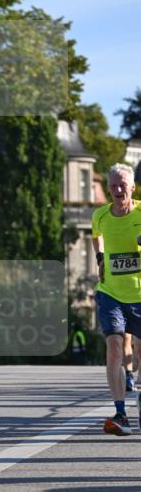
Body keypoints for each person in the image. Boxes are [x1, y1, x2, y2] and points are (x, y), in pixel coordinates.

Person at [91, 163, 141, 436]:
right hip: (110, 292)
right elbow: (96, 238)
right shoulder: (100, 215)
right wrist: (100, 258)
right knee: (114, 346)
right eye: (113, 186)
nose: (118, 190)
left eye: (123, 185)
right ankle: (121, 413)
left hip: (140, 294)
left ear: (133, 186)